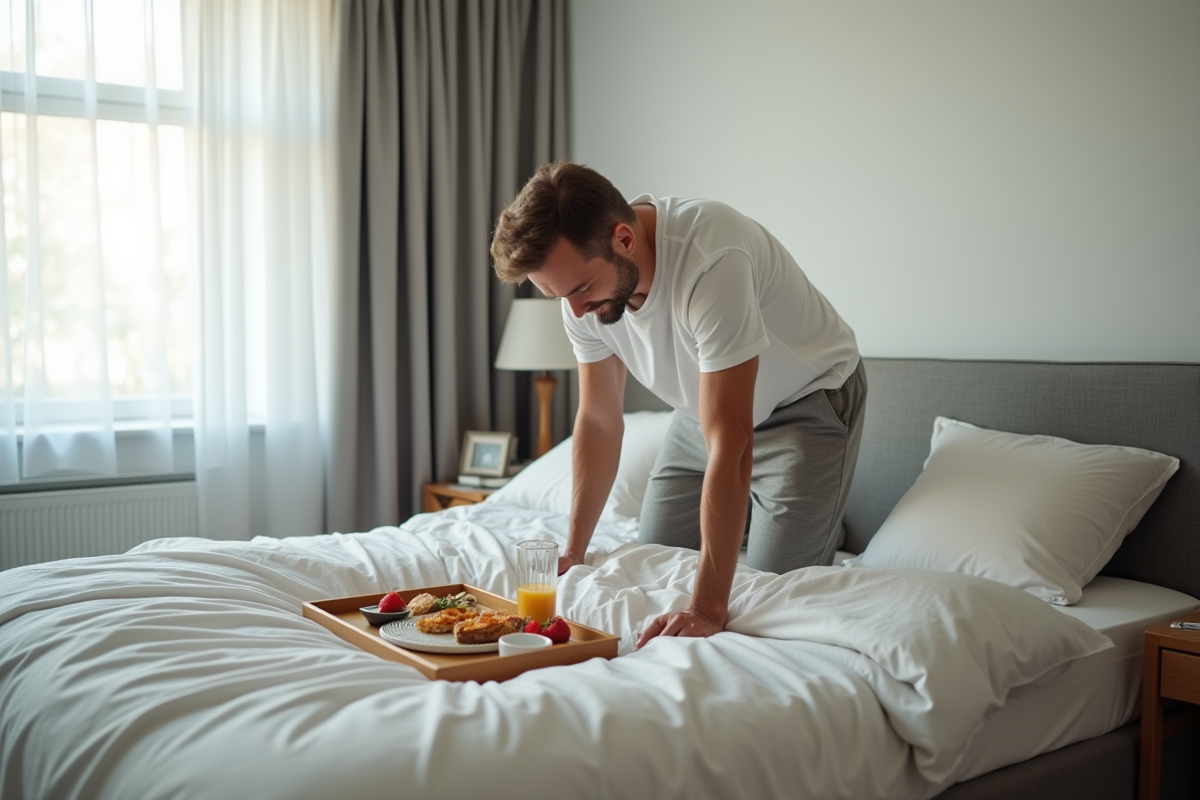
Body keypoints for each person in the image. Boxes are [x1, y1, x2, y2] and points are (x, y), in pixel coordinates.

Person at [490, 162, 867, 648]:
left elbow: (732, 437)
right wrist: (574, 551)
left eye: (581, 290)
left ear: (624, 238)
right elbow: (600, 421)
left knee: (769, 589)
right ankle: (757, 510)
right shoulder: (578, 295)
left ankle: (817, 519)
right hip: (700, 412)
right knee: (655, 552)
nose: (577, 312)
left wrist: (707, 609)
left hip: (805, 402)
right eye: (558, 297)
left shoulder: (711, 257)